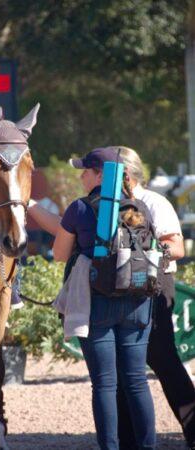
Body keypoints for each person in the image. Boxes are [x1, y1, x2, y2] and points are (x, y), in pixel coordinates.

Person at [29, 147, 156, 450]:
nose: (81, 176)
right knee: (137, 381)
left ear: (100, 175)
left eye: (85, 170)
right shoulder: (140, 207)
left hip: (98, 303)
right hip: (139, 300)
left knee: (105, 384)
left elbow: (59, 254)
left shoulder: (80, 208)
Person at [109, 146, 195, 450]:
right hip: (124, 290)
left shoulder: (154, 202)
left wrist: (141, 253)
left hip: (156, 286)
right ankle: (127, 439)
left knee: (163, 360)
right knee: (122, 365)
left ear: (127, 176)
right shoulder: (110, 205)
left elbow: (178, 248)